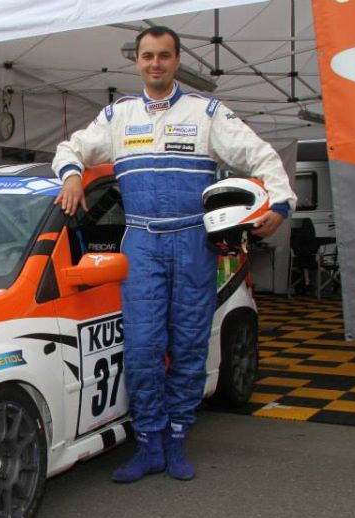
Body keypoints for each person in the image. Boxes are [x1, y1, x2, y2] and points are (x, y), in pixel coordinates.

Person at [52, 25, 296, 483]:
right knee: (144, 350)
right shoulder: (118, 116)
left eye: (164, 56)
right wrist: (70, 174)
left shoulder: (207, 113)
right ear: (137, 61)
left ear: (177, 60)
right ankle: (148, 446)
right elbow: (73, 147)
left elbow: (262, 157)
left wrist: (279, 203)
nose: (155, 64)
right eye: (147, 56)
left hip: (191, 243)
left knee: (187, 345)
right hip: (141, 242)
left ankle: (178, 440)